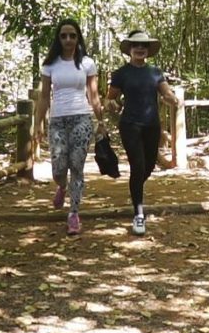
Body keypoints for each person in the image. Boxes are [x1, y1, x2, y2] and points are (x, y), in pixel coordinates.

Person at [106, 30, 182, 236]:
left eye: (144, 46)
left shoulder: (155, 72)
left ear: (148, 50)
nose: (140, 49)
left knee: (147, 167)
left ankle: (136, 189)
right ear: (130, 49)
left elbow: (165, 92)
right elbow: (110, 98)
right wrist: (112, 103)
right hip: (130, 124)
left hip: (152, 125)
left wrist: (172, 98)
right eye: (136, 46)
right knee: (137, 166)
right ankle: (138, 214)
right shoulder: (121, 73)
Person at [34, 18, 105, 235]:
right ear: (58, 38)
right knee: (58, 167)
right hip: (58, 119)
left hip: (81, 118)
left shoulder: (87, 63)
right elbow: (44, 97)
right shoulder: (50, 65)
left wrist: (100, 121)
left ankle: (74, 213)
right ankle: (61, 186)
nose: (68, 39)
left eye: (72, 35)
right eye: (64, 35)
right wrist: (38, 125)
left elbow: (93, 94)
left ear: (78, 38)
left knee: (76, 165)